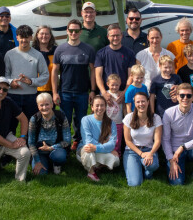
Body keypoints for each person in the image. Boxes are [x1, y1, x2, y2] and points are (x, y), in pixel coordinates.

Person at [52, 19, 96, 148]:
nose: (73, 33)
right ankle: (64, 144)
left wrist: (93, 90)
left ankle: (78, 142)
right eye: (71, 30)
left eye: (76, 30)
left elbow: (93, 70)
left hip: (82, 92)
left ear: (80, 32)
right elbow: (54, 72)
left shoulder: (88, 49)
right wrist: (55, 92)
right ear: (67, 31)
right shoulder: (60, 49)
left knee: (81, 120)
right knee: (64, 121)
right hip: (65, 92)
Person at [162, 83, 193, 186]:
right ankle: (176, 165)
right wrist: (171, 160)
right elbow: (165, 139)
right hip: (175, 152)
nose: (185, 98)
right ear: (177, 97)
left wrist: (183, 146)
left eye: (188, 95)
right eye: (182, 95)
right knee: (177, 183)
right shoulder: (168, 113)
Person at [4, 24, 49, 121]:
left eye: (27, 37)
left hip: (31, 96)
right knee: (10, 125)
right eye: (21, 37)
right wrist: (11, 82)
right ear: (17, 37)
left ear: (31, 38)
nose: (24, 40)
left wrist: (31, 81)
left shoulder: (38, 55)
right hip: (12, 95)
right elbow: (5, 74)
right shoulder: (9, 54)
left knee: (31, 125)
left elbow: (45, 75)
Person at [123, 92, 162, 187]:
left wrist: (151, 153)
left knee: (152, 165)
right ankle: (139, 167)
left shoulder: (156, 118)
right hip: (132, 151)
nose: (141, 104)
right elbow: (128, 141)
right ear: (135, 103)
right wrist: (141, 154)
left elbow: (157, 140)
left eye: (143, 101)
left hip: (149, 150)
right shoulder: (129, 118)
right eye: (138, 102)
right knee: (134, 184)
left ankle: (148, 171)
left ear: (148, 102)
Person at [27, 93, 70, 176]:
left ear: (52, 104)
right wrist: (37, 161)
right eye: (41, 105)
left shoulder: (61, 116)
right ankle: (44, 162)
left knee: (60, 156)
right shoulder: (34, 119)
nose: (44, 107)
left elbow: (67, 140)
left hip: (56, 149)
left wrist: (51, 148)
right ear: (38, 106)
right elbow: (31, 143)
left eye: (47, 104)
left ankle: (56, 164)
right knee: (40, 174)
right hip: (40, 151)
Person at [78, 95, 120, 181]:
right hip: (86, 150)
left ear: (105, 107)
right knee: (87, 149)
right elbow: (88, 141)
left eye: (102, 105)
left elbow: (112, 143)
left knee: (115, 160)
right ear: (92, 107)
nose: (99, 108)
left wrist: (97, 147)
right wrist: (105, 147)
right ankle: (91, 173)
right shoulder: (85, 120)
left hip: (97, 150)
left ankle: (95, 165)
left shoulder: (111, 123)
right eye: (97, 105)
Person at [95, 24, 136, 99]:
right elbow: (98, 75)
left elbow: (131, 75)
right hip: (107, 95)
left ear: (121, 36)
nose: (115, 38)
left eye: (117, 35)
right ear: (108, 37)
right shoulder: (100, 53)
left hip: (124, 94)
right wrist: (104, 92)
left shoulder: (130, 53)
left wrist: (125, 92)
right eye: (113, 36)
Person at [104, 74, 126, 155]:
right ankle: (106, 153)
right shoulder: (106, 94)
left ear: (120, 84)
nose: (114, 87)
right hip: (106, 122)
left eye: (117, 85)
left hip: (118, 122)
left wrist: (125, 119)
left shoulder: (121, 95)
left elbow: (124, 108)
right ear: (108, 84)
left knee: (117, 140)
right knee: (106, 138)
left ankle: (117, 154)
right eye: (112, 85)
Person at [32, 25, 58, 95]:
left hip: (52, 90)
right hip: (34, 90)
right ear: (37, 35)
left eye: (47, 34)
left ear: (50, 36)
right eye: (42, 33)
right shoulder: (31, 52)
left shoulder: (56, 51)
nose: (44, 36)